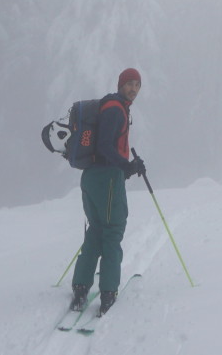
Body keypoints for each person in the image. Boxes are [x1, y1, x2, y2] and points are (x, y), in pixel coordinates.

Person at [69, 68, 148, 315]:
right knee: (113, 230)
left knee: (96, 229)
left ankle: (81, 287)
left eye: (137, 85)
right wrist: (127, 165)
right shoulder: (115, 109)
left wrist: (127, 168)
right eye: (129, 84)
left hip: (92, 177)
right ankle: (108, 293)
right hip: (107, 179)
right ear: (120, 84)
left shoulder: (110, 106)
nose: (133, 89)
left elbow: (103, 148)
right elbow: (105, 146)